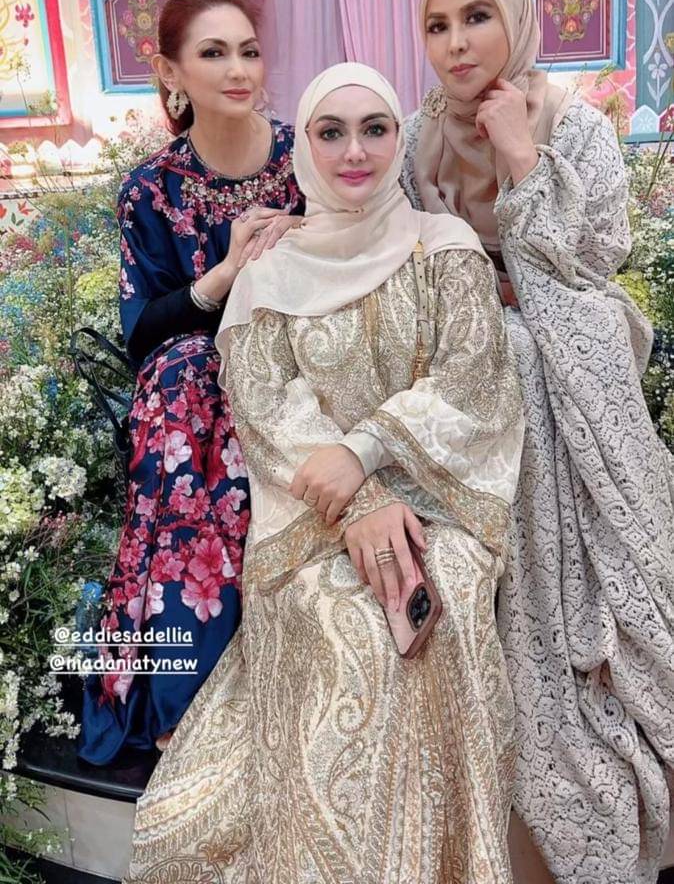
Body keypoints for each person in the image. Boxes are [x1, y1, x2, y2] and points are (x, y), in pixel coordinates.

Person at [124, 62, 524, 884]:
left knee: (440, 603)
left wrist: (368, 453)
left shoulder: (443, 248)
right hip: (311, 519)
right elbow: (266, 408)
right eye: (330, 133)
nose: (355, 152)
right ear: (303, 145)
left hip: (441, 499)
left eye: (375, 129)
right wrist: (356, 501)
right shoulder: (273, 271)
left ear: (399, 138)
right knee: (350, 631)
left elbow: (473, 384)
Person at [403, 0, 674, 884]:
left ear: (518, 20)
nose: (456, 43)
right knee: (498, 356)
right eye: (437, 25)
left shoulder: (574, 124)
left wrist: (520, 153)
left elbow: (592, 264)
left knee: (528, 353)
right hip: (470, 351)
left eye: (477, 17)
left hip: (568, 344)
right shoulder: (419, 137)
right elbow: (412, 272)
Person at [79, 0, 304, 765]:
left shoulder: (308, 157)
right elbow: (142, 332)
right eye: (214, 53)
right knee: (185, 371)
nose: (238, 69)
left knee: (209, 380)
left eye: (249, 51)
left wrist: (307, 242)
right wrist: (225, 274)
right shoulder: (150, 188)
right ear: (170, 72)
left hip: (300, 359)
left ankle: (226, 686)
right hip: (192, 390)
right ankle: (192, 692)